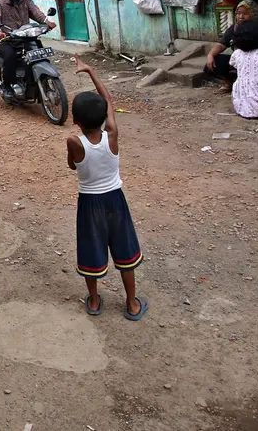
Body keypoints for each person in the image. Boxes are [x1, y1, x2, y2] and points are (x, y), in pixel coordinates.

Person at [67, 57, 146, 320]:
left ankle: (93, 300)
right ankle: (132, 304)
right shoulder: (112, 136)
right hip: (115, 200)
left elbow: (72, 167)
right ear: (104, 117)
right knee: (124, 250)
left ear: (75, 119)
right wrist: (90, 71)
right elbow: (109, 101)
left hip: (89, 204)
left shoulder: (74, 142)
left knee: (91, 248)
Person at [0, 0, 56, 99]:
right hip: (6, 40)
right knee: (10, 56)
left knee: (40, 52)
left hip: (26, 37)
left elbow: (36, 12)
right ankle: (8, 86)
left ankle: (40, 78)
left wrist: (47, 21)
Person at [203, 0, 258, 92]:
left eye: (245, 14)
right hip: (241, 60)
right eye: (238, 13)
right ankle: (230, 84)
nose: (240, 17)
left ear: (254, 13)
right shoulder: (234, 28)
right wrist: (210, 55)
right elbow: (222, 44)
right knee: (212, 64)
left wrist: (257, 49)